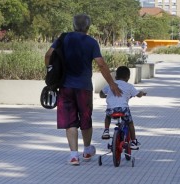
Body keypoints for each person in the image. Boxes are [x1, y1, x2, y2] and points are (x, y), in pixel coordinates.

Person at [44, 14, 122, 166]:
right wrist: (112, 84)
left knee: (70, 121)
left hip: (65, 86)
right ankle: (87, 150)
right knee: (85, 118)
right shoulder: (91, 42)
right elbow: (101, 64)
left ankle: (74, 155)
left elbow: (48, 55)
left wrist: (50, 71)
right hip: (84, 87)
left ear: (73, 25)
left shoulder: (63, 38)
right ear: (88, 27)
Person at [99, 66, 146, 150]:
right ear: (128, 77)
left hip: (111, 109)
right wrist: (142, 93)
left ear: (116, 77)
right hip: (123, 109)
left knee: (108, 116)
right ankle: (134, 141)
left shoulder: (111, 84)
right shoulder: (129, 86)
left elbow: (101, 94)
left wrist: (106, 96)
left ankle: (106, 131)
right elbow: (138, 94)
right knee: (130, 123)